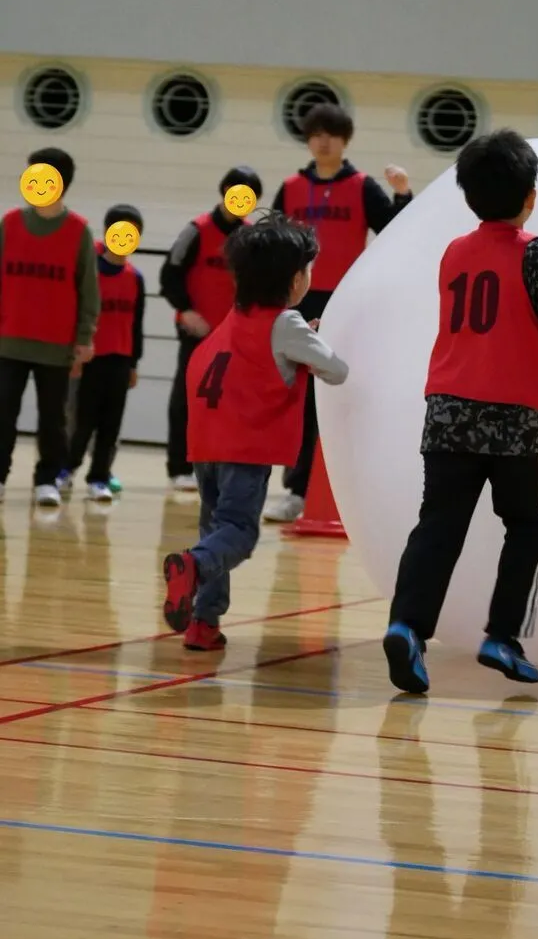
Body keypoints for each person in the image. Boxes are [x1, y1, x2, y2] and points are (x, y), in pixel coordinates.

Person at [383, 130, 538, 694]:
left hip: (449, 409)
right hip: (514, 418)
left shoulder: (455, 252)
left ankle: (408, 625)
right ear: (530, 197)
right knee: (530, 525)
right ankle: (501, 635)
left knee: (438, 526)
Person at [162, 212, 348, 652]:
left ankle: (203, 623)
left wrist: (305, 340)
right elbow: (336, 371)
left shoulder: (236, 316)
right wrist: (315, 342)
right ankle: (193, 565)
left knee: (216, 528)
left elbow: (265, 352)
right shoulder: (287, 323)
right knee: (238, 535)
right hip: (244, 447)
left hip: (205, 444)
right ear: (295, 278)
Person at [264, 104, 412, 522]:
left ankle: (343, 493)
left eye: (331, 134)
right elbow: (270, 243)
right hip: (296, 303)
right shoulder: (291, 187)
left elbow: (394, 230)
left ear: (344, 139)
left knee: (336, 396)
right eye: (315, 134)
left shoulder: (363, 187)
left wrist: (402, 195)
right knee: (294, 397)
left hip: (343, 306)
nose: (322, 141)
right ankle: (294, 491)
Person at [0, 147, 99, 507]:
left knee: (53, 421)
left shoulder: (78, 231)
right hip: (8, 342)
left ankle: (47, 481)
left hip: (56, 345)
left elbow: (89, 289)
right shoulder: (9, 224)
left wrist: (84, 338)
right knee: (2, 414)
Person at [160, 165, 263, 491]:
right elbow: (169, 274)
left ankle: (219, 466)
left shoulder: (251, 238)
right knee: (186, 401)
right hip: (197, 335)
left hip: (234, 337)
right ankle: (179, 468)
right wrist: (187, 311)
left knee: (229, 403)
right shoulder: (197, 230)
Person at [58, 204, 145, 503]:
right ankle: (65, 469)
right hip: (89, 358)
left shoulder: (135, 278)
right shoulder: (89, 271)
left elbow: (137, 324)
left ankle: (99, 477)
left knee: (111, 424)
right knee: (81, 421)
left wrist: (134, 363)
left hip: (119, 360)